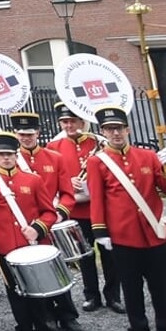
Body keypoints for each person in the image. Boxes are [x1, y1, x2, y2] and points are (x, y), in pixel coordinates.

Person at [88, 106, 166, 331]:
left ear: (127, 129)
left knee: (161, 290)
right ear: (103, 132)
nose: (115, 133)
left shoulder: (148, 156)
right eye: (110, 129)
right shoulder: (97, 162)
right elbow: (97, 199)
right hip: (123, 236)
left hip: (154, 234)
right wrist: (100, 231)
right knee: (132, 291)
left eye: (119, 128)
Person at [0, 131, 66, 331]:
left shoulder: (32, 180)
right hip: (5, 247)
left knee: (38, 293)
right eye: (1, 154)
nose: (6, 158)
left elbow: (48, 212)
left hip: (30, 246)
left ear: (16, 155)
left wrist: (38, 228)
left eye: (10, 154)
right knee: (16, 294)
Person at [8, 111, 85, 331]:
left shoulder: (54, 158)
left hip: (51, 222)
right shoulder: (11, 159)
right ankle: (46, 316)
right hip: (27, 226)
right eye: (22, 134)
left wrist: (59, 213)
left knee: (58, 269)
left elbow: (68, 194)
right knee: (36, 272)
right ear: (16, 134)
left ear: (38, 133)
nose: (26, 138)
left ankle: (68, 316)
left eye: (30, 134)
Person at [49, 102, 121, 314]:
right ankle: (92, 295)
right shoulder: (54, 147)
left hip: (102, 208)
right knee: (85, 255)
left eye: (72, 121)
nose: (69, 125)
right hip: (76, 211)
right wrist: (67, 183)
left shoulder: (98, 143)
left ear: (82, 122)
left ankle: (113, 296)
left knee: (110, 254)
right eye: (64, 121)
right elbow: (51, 178)